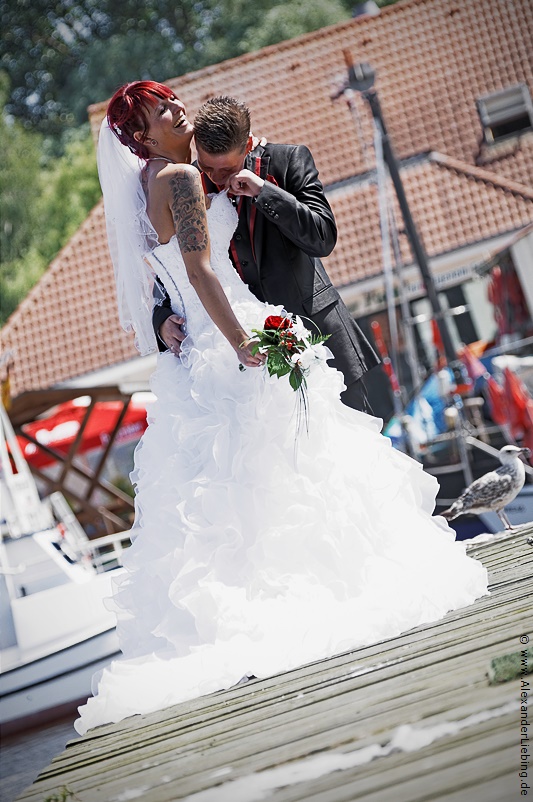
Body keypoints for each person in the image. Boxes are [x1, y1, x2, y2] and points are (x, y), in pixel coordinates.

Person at [75, 81, 488, 735]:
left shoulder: (168, 182)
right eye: (161, 110)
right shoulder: (179, 177)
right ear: (140, 137)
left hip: (235, 339)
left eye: (173, 99)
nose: (177, 109)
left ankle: (274, 603)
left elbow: (179, 267)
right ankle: (315, 601)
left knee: (247, 489)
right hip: (235, 333)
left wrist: (185, 321)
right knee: (292, 470)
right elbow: (196, 270)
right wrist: (238, 339)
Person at [153, 95, 379, 413]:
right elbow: (170, 269)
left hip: (319, 340)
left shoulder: (288, 160)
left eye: (226, 168)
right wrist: (160, 319)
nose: (216, 178)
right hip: (248, 368)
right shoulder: (185, 186)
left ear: (247, 145)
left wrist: (264, 191)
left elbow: (323, 239)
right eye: (207, 167)